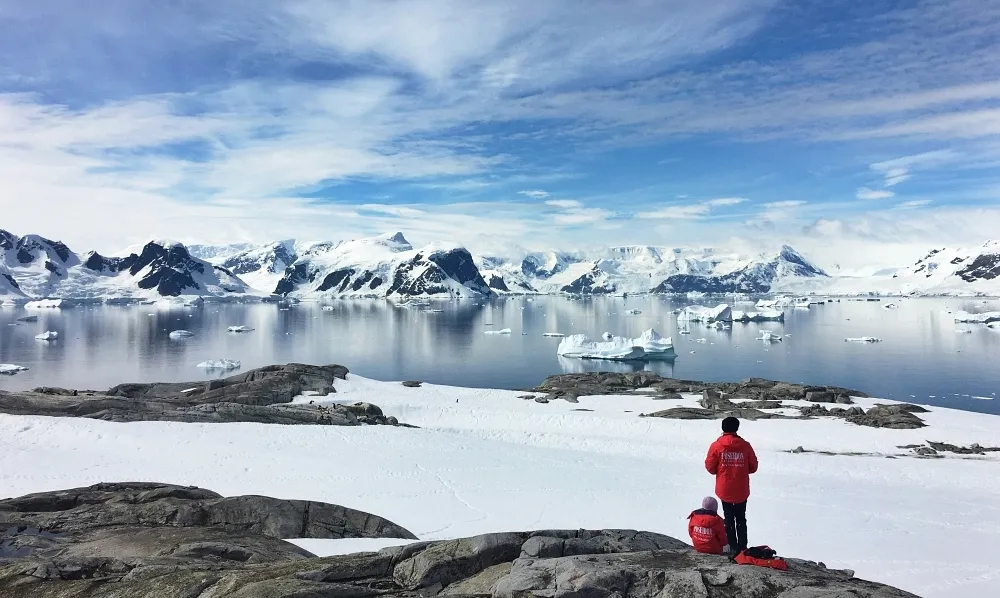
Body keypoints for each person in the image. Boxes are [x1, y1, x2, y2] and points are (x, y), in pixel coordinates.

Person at [705, 416, 758, 553]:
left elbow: (710, 467)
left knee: (728, 518)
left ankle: (733, 547)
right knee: (741, 517)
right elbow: (753, 467)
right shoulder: (745, 446)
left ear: (723, 428)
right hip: (741, 488)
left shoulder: (716, 445)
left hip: (725, 488)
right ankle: (743, 547)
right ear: (736, 428)